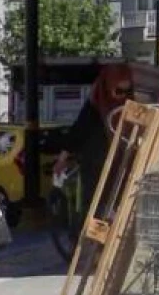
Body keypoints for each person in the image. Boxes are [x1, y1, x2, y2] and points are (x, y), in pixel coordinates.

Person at [52, 63, 134, 208]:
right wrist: (62, 160)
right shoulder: (95, 108)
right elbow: (78, 132)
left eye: (127, 91)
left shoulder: (130, 107)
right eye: (119, 91)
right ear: (107, 87)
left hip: (122, 168)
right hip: (96, 169)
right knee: (95, 207)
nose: (123, 96)